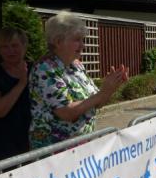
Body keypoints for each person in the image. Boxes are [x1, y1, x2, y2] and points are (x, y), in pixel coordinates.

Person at [29, 12, 128, 149]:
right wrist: (102, 93)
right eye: (77, 40)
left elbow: (96, 104)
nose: (83, 45)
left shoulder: (76, 65)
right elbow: (66, 113)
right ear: (58, 42)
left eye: (83, 40)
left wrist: (110, 88)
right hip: (56, 152)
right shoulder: (45, 69)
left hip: (81, 148)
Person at [0, 27, 32, 161]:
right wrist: (21, 83)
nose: (10, 51)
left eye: (14, 45)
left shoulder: (36, 69)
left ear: (24, 46)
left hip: (36, 141)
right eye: (4, 47)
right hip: (7, 146)